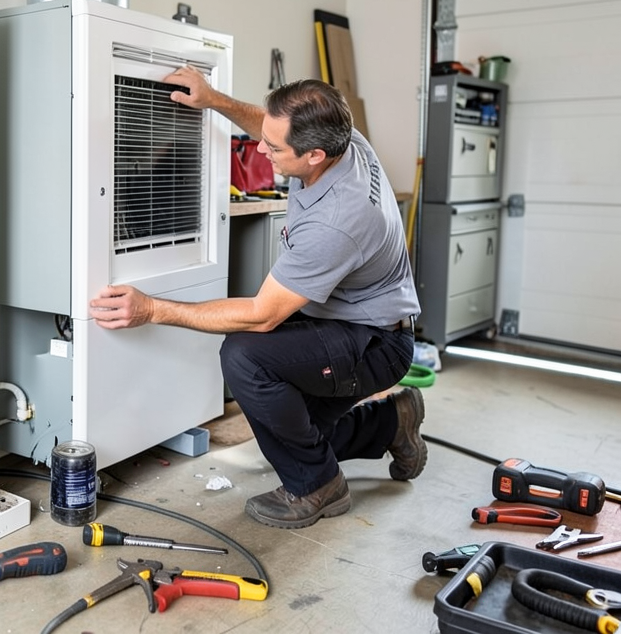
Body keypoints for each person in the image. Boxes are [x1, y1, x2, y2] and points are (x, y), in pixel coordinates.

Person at [89, 69, 425, 529]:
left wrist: (151, 308)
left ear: (314, 155)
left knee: (246, 356)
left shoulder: (337, 221)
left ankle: (318, 486)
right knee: (292, 430)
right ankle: (391, 423)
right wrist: (214, 99)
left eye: (274, 148)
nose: (261, 150)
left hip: (374, 341)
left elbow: (261, 316)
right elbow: (267, 124)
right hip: (349, 319)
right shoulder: (342, 135)